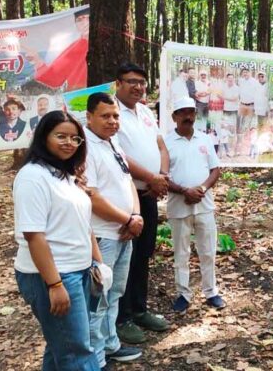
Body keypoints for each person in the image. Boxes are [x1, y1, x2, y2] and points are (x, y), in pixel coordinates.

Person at [13, 111, 102, 370]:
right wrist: (54, 284)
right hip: (53, 275)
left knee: (61, 346)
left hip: (79, 269)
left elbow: (83, 224)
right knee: (77, 353)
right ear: (44, 137)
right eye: (60, 136)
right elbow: (33, 234)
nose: (69, 143)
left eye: (75, 139)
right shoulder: (32, 176)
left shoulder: (65, 176)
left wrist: (97, 262)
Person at [84, 93, 144, 368]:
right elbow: (92, 196)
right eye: (105, 116)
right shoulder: (85, 147)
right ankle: (95, 358)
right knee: (98, 299)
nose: (112, 121)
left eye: (116, 115)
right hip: (102, 236)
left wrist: (136, 215)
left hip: (123, 232)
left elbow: (127, 180)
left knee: (115, 292)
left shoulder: (113, 142)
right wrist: (127, 220)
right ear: (89, 117)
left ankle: (110, 345)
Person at [114, 63, 170, 344]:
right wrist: (151, 177)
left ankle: (139, 309)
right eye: (132, 81)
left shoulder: (146, 111)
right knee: (125, 256)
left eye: (142, 82)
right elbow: (119, 153)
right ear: (118, 83)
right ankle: (120, 317)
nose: (138, 87)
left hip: (149, 194)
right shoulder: (112, 113)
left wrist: (161, 177)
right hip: (126, 197)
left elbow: (161, 145)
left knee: (145, 252)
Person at [165, 97, 224, 313]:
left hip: (204, 204)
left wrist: (202, 189)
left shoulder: (205, 139)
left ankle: (211, 292)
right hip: (179, 205)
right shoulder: (166, 142)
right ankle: (183, 294)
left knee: (208, 250)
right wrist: (183, 191)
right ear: (175, 117)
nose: (188, 116)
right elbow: (161, 177)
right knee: (181, 252)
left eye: (191, 112)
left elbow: (215, 169)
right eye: (182, 112)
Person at [26, 8, 89, 91]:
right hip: (80, 98)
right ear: (76, 24)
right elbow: (54, 77)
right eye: (79, 20)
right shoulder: (76, 47)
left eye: (88, 18)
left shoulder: (109, 42)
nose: (85, 23)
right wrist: (37, 60)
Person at [238, 69, 258, 139]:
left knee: (248, 121)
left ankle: (247, 137)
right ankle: (240, 137)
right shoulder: (241, 81)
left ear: (249, 73)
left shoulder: (254, 81)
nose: (245, 74)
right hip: (242, 104)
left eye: (246, 72)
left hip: (251, 105)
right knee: (240, 121)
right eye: (244, 72)